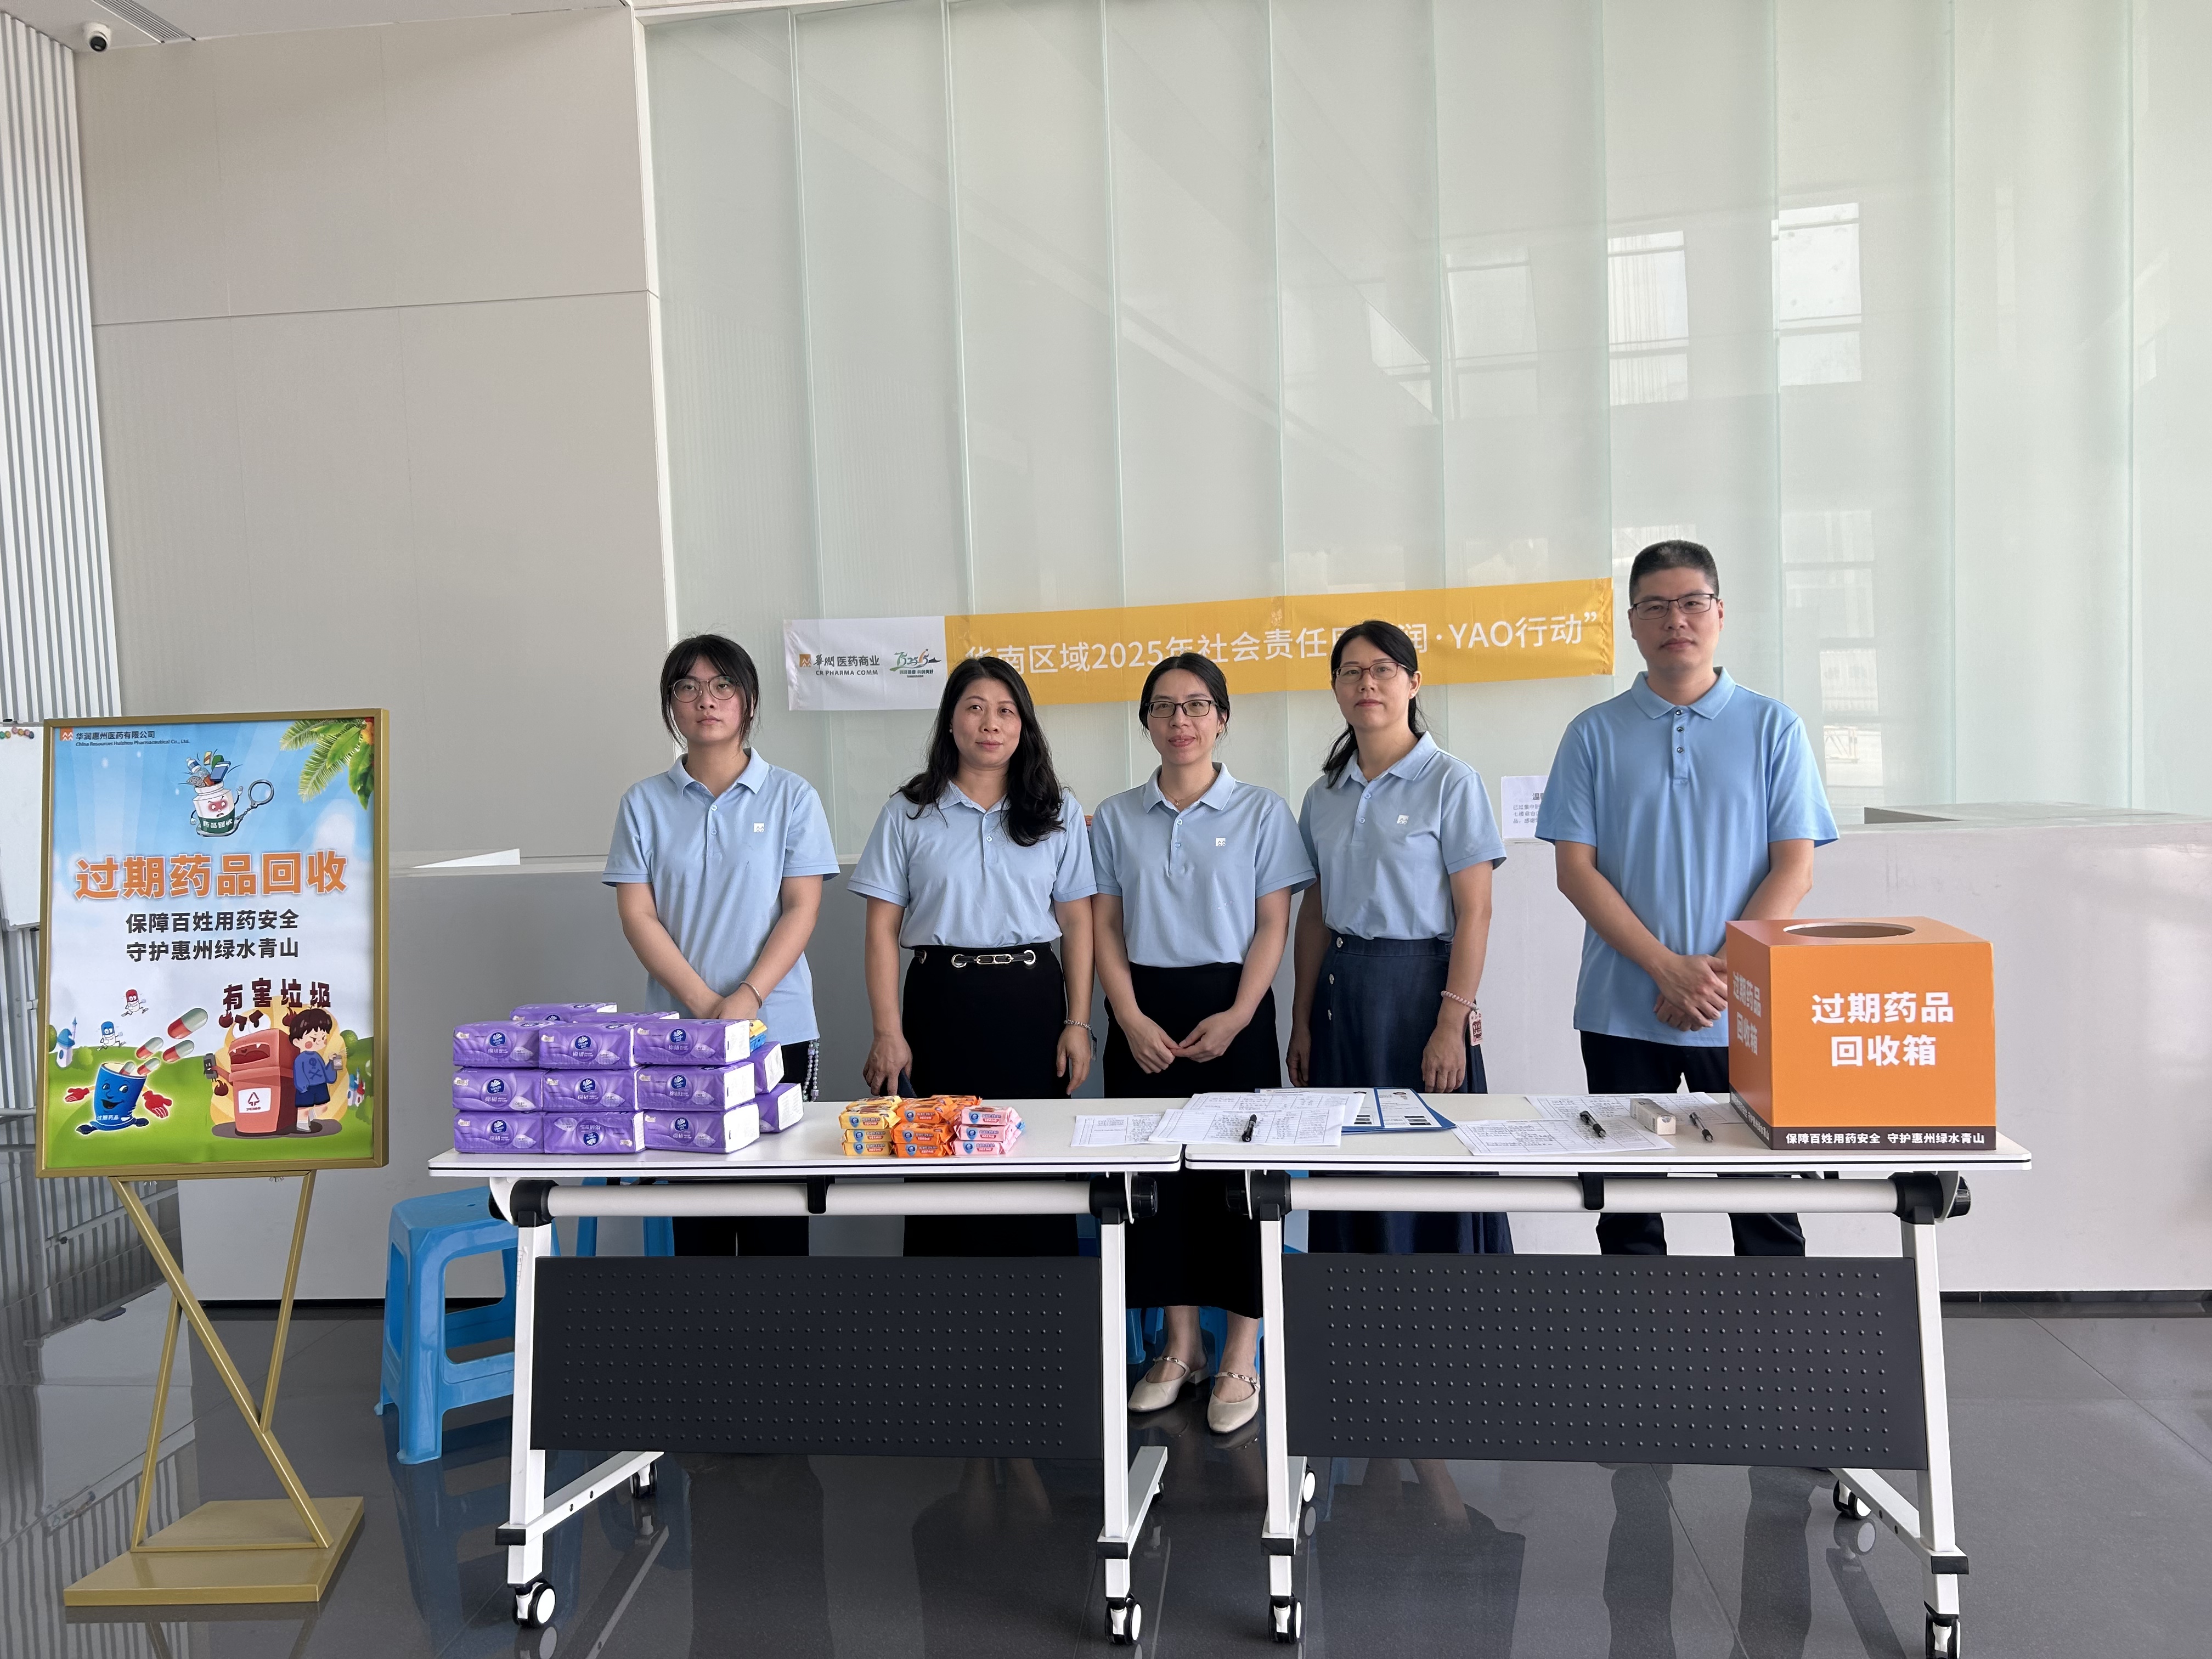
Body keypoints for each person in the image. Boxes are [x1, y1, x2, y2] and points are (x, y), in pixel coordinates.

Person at [1536, 540, 1837, 1255]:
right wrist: (1666, 969)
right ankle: (1638, 1331)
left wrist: (1711, 977)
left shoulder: (1773, 728)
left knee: (1765, 1200)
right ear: (1632, 624)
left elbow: (1795, 868)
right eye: (1656, 606)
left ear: (1720, 614)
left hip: (1742, 1009)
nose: (1676, 619)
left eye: (1693, 602)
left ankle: (1774, 1331)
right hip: (1621, 1008)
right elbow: (1576, 871)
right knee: (1625, 1205)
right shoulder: (1592, 734)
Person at [1092, 654, 1313, 1434]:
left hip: (1233, 1009)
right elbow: (1104, 926)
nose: (1180, 721)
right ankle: (1179, 1348)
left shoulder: (1262, 811)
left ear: (1222, 717)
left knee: (1239, 1183)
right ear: (1146, 722)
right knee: (1157, 1182)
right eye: (1163, 707)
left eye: (1196, 706)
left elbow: (1274, 924)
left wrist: (1242, 1014)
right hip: (1143, 1013)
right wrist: (1127, 1017)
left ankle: (1240, 1357)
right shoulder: (1116, 816)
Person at [851, 656, 1097, 1256]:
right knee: (942, 1170)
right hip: (941, 1002)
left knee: (1033, 1167)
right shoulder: (909, 810)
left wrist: (1078, 1022)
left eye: (1006, 711)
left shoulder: (1056, 809)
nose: (991, 723)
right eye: (976, 708)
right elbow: (881, 930)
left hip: (1032, 1004)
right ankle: (943, 1313)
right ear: (951, 721)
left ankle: (1042, 1308)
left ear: (1023, 725)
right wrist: (887, 1031)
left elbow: (1077, 922)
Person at [605, 634, 839, 1258]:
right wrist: (706, 1005)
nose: (705, 700)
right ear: (671, 705)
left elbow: (802, 907)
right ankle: (705, 1330)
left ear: (749, 700)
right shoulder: (643, 803)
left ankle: (782, 1330)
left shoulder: (792, 797)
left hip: (777, 1029)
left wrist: (748, 997)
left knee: (776, 1221)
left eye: (722, 686)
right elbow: (638, 915)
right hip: (679, 1037)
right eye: (687, 688)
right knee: (699, 1221)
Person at [1288, 620, 1510, 1255]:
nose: (1368, 683)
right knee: (1349, 1166)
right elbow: (1315, 913)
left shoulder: (1451, 781)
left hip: (1422, 998)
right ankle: (1351, 1308)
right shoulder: (1324, 794)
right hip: (1342, 998)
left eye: (1383, 669)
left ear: (1413, 682)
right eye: (1352, 672)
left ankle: (1442, 1311)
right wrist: (1300, 1021)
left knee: (1430, 1164)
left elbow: (1476, 913)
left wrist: (1452, 1022)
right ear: (1336, 687)